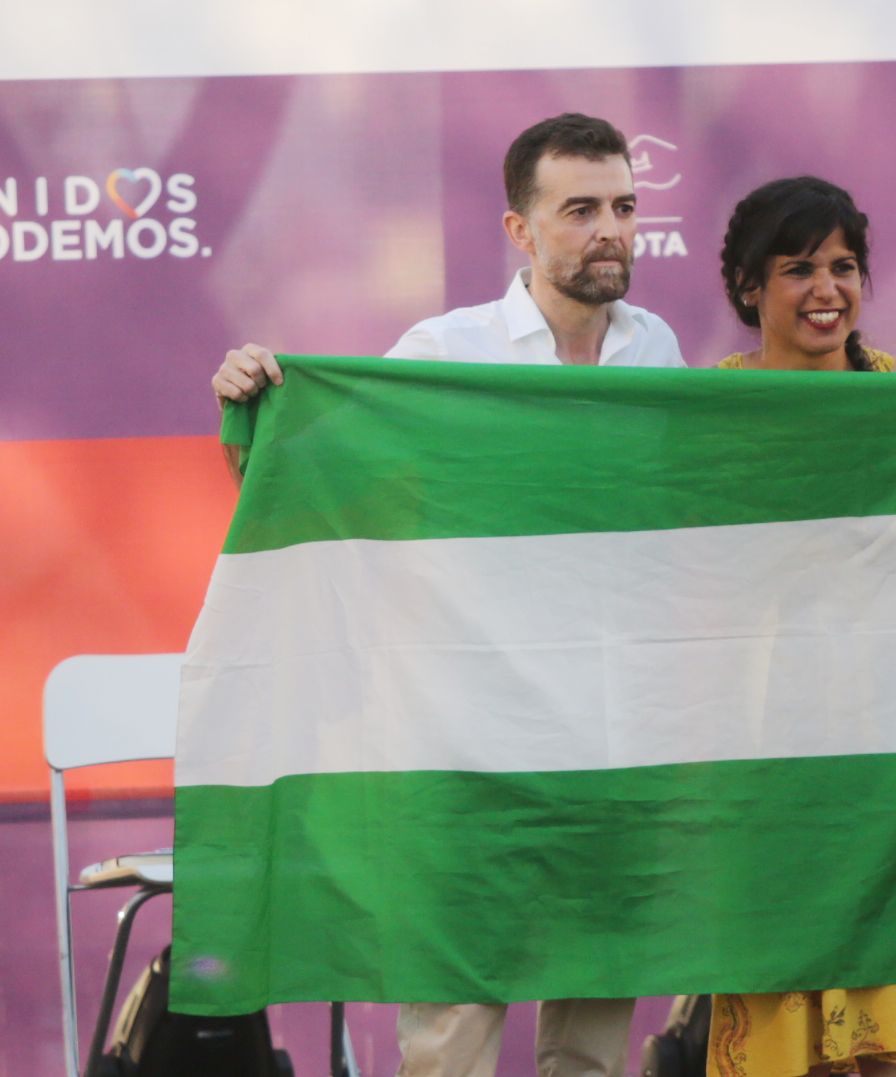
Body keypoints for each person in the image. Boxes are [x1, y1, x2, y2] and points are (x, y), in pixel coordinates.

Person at [211, 112, 685, 1077]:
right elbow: (331, 488)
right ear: (521, 230)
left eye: (625, 208)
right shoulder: (443, 347)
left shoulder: (658, 349)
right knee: (451, 1033)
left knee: (594, 1026)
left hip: (610, 731)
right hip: (467, 735)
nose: (610, 230)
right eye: (581, 209)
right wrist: (254, 409)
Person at [706, 175, 896, 1077]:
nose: (826, 290)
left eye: (843, 266)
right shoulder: (709, 413)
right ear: (749, 287)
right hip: (770, 745)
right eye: (797, 268)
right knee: (789, 1011)